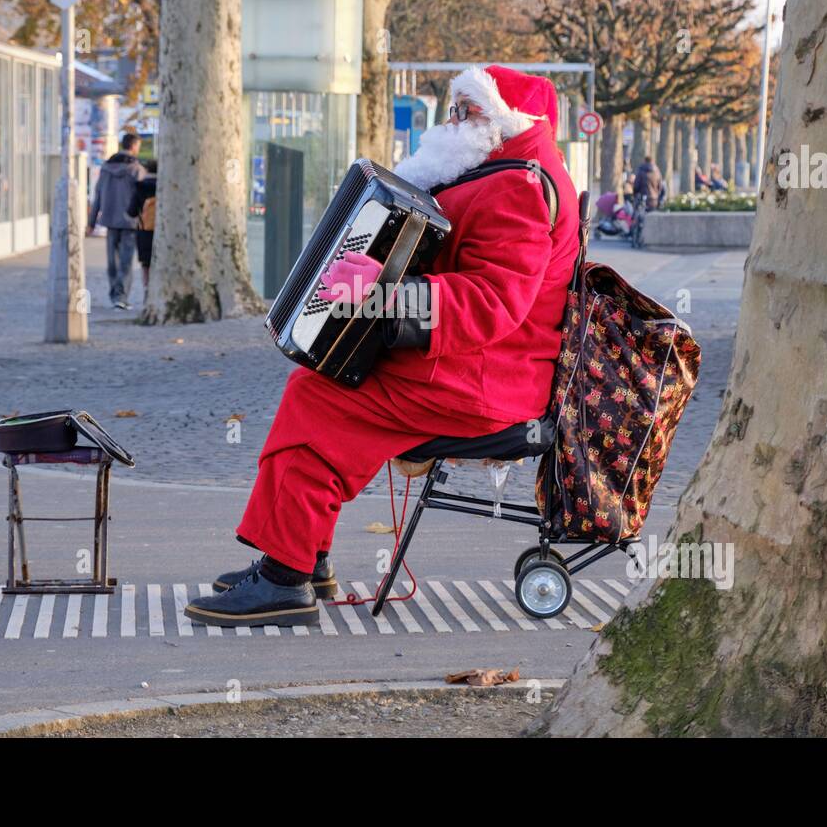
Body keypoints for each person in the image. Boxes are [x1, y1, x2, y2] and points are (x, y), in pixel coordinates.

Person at [185, 65, 580, 628]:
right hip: (478, 368)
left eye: (466, 110)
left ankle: (284, 580)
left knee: (317, 398)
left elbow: (492, 301)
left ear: (503, 119)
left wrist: (383, 297)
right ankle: (304, 559)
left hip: (482, 381)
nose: (454, 120)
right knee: (319, 384)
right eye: (456, 109)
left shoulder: (517, 186)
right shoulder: (511, 170)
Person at [87, 132, 146, 309]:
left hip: (110, 220)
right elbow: (143, 198)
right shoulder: (137, 170)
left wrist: (91, 222)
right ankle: (121, 297)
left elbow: (97, 196)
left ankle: (115, 294)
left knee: (113, 261)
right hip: (130, 221)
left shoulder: (105, 169)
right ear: (134, 146)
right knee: (127, 262)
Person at [127, 160, 158, 301]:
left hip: (145, 231)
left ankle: (147, 289)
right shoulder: (167, 187)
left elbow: (132, 212)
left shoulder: (140, 187)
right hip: (161, 232)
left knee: (146, 264)